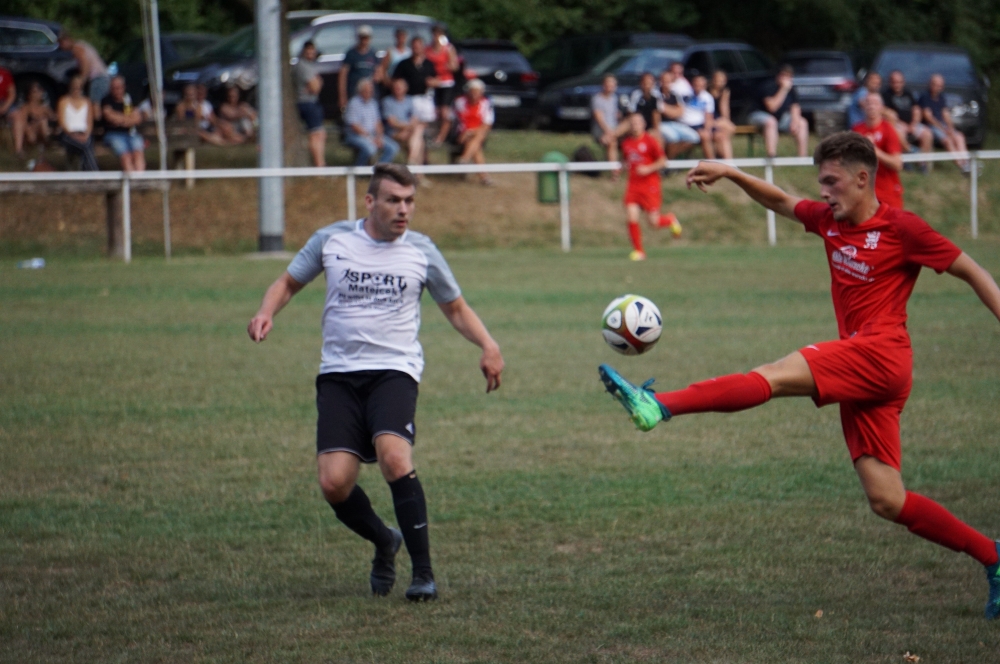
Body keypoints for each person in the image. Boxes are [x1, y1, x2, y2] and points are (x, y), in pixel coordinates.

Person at [600, 131, 1000, 621]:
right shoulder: (830, 222)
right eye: (821, 182)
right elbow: (782, 200)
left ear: (861, 178)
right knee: (888, 499)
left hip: (881, 353)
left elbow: (973, 270)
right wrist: (730, 172)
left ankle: (658, 406)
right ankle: (995, 557)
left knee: (773, 374)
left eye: (832, 182)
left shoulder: (902, 228)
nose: (824, 192)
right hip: (868, 369)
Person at [247, 163, 504, 602]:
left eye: (409, 201)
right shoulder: (333, 241)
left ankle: (423, 574)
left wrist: (488, 344)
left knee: (394, 456)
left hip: (394, 371)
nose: (404, 210)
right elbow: (288, 282)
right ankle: (386, 541)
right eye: (393, 200)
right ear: (369, 202)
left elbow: (456, 308)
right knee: (334, 483)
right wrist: (267, 310)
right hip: (339, 376)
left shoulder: (422, 251)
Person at [620, 112, 681, 262]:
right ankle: (639, 251)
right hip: (633, 185)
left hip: (650, 185)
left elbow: (663, 161)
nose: (634, 125)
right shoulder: (626, 143)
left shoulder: (650, 141)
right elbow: (627, 161)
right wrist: (619, 169)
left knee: (653, 223)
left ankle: (670, 220)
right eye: (632, 122)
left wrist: (648, 169)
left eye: (637, 122)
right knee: (631, 215)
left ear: (643, 125)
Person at [852, 94, 903, 209]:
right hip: (864, 194)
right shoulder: (857, 130)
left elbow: (897, 164)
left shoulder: (888, 129)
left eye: (875, 103)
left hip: (888, 194)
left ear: (881, 107)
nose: (871, 106)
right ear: (864, 106)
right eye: (868, 103)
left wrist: (874, 150)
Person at [748, 65, 809, 157]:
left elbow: (795, 107)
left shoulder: (791, 90)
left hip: (779, 118)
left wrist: (795, 121)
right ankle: (772, 156)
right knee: (771, 122)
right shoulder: (769, 86)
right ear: (778, 76)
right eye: (784, 76)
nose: (786, 79)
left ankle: (802, 157)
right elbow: (772, 107)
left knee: (802, 123)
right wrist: (783, 89)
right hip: (758, 116)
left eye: (789, 76)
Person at [919, 74, 971, 174]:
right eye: (935, 85)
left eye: (940, 86)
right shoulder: (925, 97)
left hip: (941, 125)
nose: (937, 88)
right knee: (947, 140)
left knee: (959, 136)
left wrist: (950, 128)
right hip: (930, 126)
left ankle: (966, 162)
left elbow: (945, 114)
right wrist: (943, 129)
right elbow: (928, 117)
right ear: (930, 84)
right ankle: (961, 165)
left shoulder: (941, 98)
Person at [882, 70, 932, 170]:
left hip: (911, 124)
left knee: (927, 134)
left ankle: (922, 163)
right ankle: (909, 154)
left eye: (899, 82)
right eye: (894, 82)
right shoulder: (885, 94)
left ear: (903, 82)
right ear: (890, 82)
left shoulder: (908, 93)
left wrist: (914, 123)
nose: (897, 84)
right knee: (898, 132)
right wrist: (900, 123)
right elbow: (886, 113)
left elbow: (916, 109)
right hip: (897, 124)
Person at [344, 78, 399, 166]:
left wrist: (379, 137)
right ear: (360, 91)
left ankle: (379, 169)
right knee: (371, 148)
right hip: (356, 135)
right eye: (366, 91)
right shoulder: (353, 103)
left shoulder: (373, 103)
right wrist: (370, 138)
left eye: (371, 91)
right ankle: (359, 170)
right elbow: (354, 126)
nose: (369, 93)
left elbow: (378, 123)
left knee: (393, 147)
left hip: (372, 135)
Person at [452, 79, 494, 185]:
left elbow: (486, 125)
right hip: (462, 134)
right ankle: (484, 177)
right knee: (476, 145)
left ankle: (464, 159)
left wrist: (470, 132)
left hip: (475, 134)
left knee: (477, 137)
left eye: (477, 92)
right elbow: (453, 119)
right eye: (472, 91)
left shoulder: (485, 104)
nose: (474, 95)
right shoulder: (460, 102)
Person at [391, 36, 439, 127]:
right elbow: (395, 80)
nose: (416, 49)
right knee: (413, 120)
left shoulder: (429, 64)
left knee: (427, 120)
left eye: (418, 46)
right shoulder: (404, 64)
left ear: (423, 47)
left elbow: (437, 79)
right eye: (414, 47)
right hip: (408, 97)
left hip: (425, 97)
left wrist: (433, 82)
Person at [101, 76, 146, 172]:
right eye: (114, 88)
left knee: (138, 153)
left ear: (123, 87)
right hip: (113, 134)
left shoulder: (130, 99)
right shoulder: (106, 101)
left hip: (131, 133)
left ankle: (139, 181)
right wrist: (128, 118)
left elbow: (137, 118)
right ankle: (131, 183)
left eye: (119, 87)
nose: (117, 90)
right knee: (126, 156)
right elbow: (110, 117)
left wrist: (120, 119)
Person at [382, 78, 427, 172]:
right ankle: (415, 171)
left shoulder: (409, 100)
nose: (398, 89)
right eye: (396, 87)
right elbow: (392, 123)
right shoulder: (387, 101)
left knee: (419, 139)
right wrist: (408, 128)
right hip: (393, 133)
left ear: (405, 89)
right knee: (419, 138)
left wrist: (407, 130)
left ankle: (412, 162)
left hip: (408, 133)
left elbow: (415, 118)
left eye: (400, 87)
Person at [294, 41, 327, 167]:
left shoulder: (310, 65)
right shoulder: (303, 66)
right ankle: (319, 166)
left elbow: (317, 84)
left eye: (312, 51)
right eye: (308, 51)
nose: (311, 53)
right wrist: (317, 82)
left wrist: (317, 82)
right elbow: (315, 87)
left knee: (321, 134)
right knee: (315, 134)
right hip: (307, 103)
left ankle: (321, 164)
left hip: (312, 102)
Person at [57, 31, 110, 107]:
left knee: (95, 104)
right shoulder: (81, 44)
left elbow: (85, 64)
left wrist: (81, 81)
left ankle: (96, 119)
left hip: (98, 78)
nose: (60, 47)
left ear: (67, 40)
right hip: (103, 76)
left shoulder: (77, 48)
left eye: (61, 43)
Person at [426, 25, 459, 145]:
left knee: (445, 111)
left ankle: (442, 137)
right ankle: (433, 134)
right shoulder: (428, 49)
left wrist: (444, 67)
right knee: (434, 111)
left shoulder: (448, 48)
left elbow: (454, 66)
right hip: (433, 83)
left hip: (445, 83)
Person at [56, 75, 98, 171]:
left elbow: (89, 123)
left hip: (84, 134)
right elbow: (62, 122)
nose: (76, 90)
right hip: (68, 134)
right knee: (86, 147)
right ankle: (95, 175)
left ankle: (89, 176)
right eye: (74, 87)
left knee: (86, 145)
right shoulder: (63, 101)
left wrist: (86, 135)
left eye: (79, 87)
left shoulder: (87, 102)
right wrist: (73, 135)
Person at [339, 25, 381, 115]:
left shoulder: (373, 53)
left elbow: (378, 71)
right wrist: (342, 96)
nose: (364, 40)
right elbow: (343, 75)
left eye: (366, 38)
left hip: (370, 92)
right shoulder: (351, 54)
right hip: (355, 91)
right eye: (362, 38)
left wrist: (375, 78)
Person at [657, 69, 698, 158]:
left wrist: (669, 110)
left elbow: (680, 112)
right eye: (664, 80)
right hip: (661, 124)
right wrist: (673, 110)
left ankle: (672, 158)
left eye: (668, 81)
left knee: (695, 137)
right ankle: (669, 164)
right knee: (673, 138)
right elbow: (662, 110)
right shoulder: (656, 94)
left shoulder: (675, 94)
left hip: (675, 123)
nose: (666, 83)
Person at [678, 72, 716, 159]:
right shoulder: (685, 95)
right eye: (696, 83)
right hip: (685, 124)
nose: (698, 85)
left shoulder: (707, 97)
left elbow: (708, 116)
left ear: (704, 84)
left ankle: (712, 162)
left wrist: (707, 129)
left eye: (700, 83)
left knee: (707, 135)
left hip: (699, 125)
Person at [590, 74, 624, 173]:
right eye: (608, 84)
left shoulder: (615, 98)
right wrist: (608, 131)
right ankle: (615, 173)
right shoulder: (597, 99)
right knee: (612, 142)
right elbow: (599, 118)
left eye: (612, 84)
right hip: (601, 130)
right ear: (603, 85)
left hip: (614, 129)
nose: (610, 86)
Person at [707, 69, 736, 160]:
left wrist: (725, 121)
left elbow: (725, 110)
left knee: (726, 132)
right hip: (709, 117)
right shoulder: (707, 92)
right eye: (717, 80)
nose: (719, 83)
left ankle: (722, 156)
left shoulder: (725, 92)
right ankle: (727, 160)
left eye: (722, 81)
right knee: (723, 134)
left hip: (718, 118)